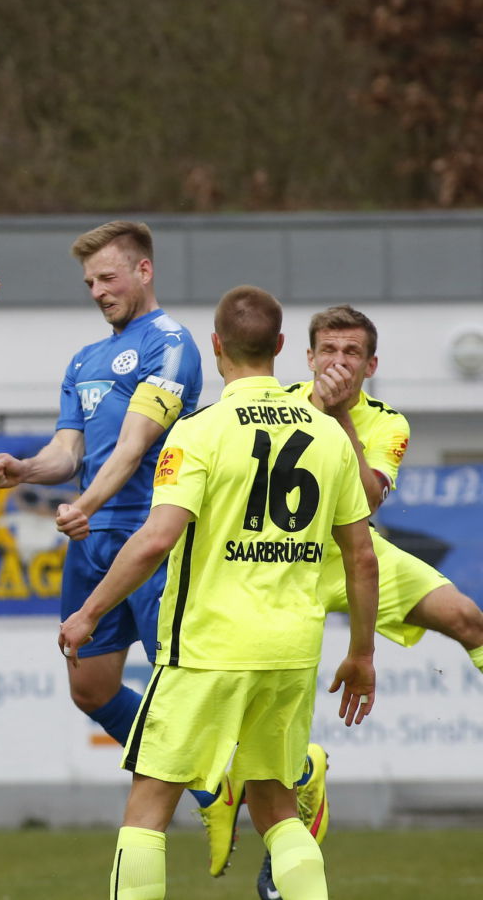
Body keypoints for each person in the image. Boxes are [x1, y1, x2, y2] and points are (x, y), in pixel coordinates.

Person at [60, 285, 379, 900]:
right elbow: (361, 556)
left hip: (205, 648)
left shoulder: (199, 432)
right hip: (290, 651)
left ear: (215, 347)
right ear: (284, 348)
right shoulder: (331, 436)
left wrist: (89, 612)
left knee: (149, 806)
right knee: (277, 807)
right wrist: (362, 653)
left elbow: (155, 540)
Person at [0, 223, 240, 869]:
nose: (98, 292)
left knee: (178, 690)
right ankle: (211, 779)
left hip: (156, 538)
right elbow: (67, 451)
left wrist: (84, 505)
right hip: (94, 540)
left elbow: (134, 445)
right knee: (91, 686)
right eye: (90, 283)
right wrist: (23, 470)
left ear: (144, 271)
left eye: (108, 278)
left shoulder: (173, 345)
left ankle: (270, 789)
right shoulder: (84, 361)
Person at [241, 304, 483, 898]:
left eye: (353, 354)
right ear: (307, 357)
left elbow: (370, 500)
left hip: (357, 553)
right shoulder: (273, 406)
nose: (339, 362)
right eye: (329, 350)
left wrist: (342, 417)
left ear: (371, 364)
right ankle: (292, 805)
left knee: (469, 619)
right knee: (263, 732)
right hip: (283, 563)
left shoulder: (386, 421)